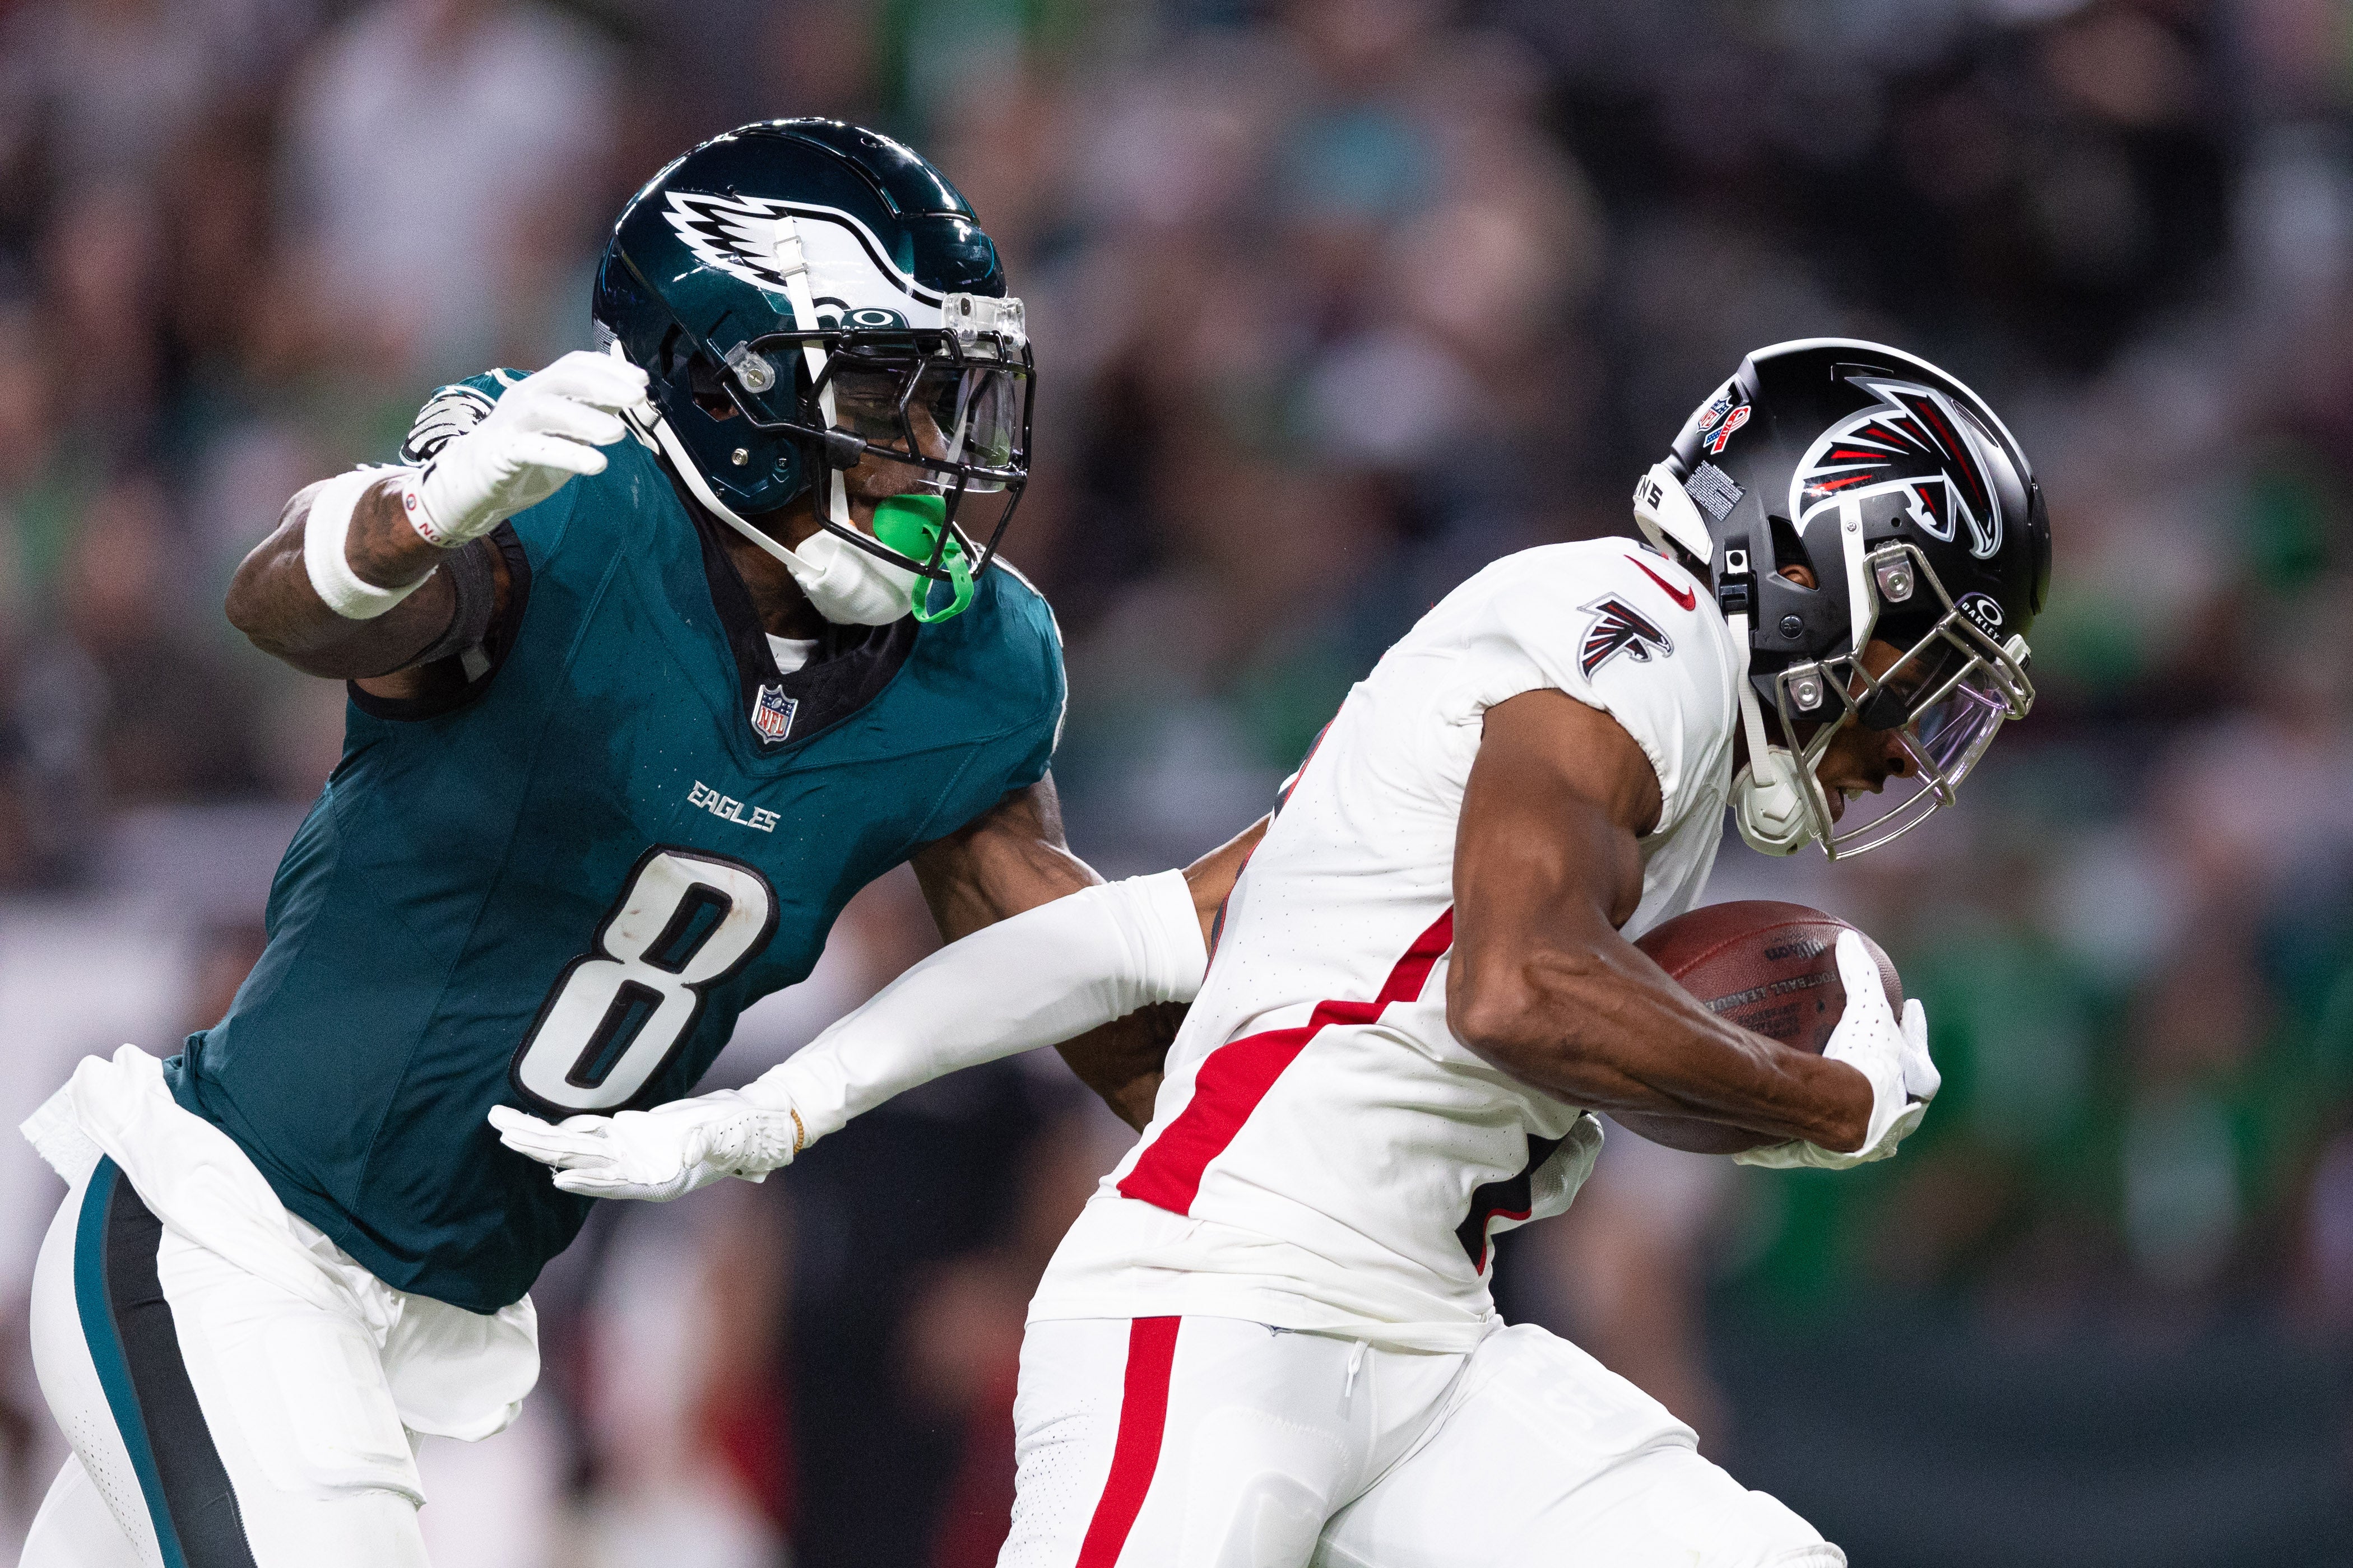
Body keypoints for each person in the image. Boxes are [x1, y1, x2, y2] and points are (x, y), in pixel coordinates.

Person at [505, 339, 2051, 1566]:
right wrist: (1818, 1097)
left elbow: (1164, 947)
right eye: (1920, 662)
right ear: (1825, 553)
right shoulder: (1629, 636)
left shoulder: (1641, 709)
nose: (1909, 730)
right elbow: (1513, 992)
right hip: (1234, 1315)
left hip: (1426, 1332)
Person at [16, 119, 1248, 1568]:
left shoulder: (972, 670)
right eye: (890, 401)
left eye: (950, 404)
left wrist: (1271, 1143)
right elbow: (287, 609)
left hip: (414, 1320)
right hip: (224, 1237)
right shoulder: (566, 502)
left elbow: (1068, 971)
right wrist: (411, 516)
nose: (937, 457)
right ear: (735, 384)